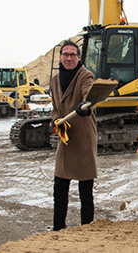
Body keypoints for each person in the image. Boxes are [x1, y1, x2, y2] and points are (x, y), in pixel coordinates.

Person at [50, 39, 98, 231]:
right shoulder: (55, 80)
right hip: (65, 137)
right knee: (60, 188)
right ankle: (58, 229)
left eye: (73, 55)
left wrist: (87, 106)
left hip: (83, 138)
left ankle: (86, 229)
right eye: (65, 55)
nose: (69, 58)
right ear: (60, 57)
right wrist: (56, 120)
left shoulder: (85, 75)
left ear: (78, 58)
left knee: (85, 191)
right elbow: (55, 107)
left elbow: (90, 96)